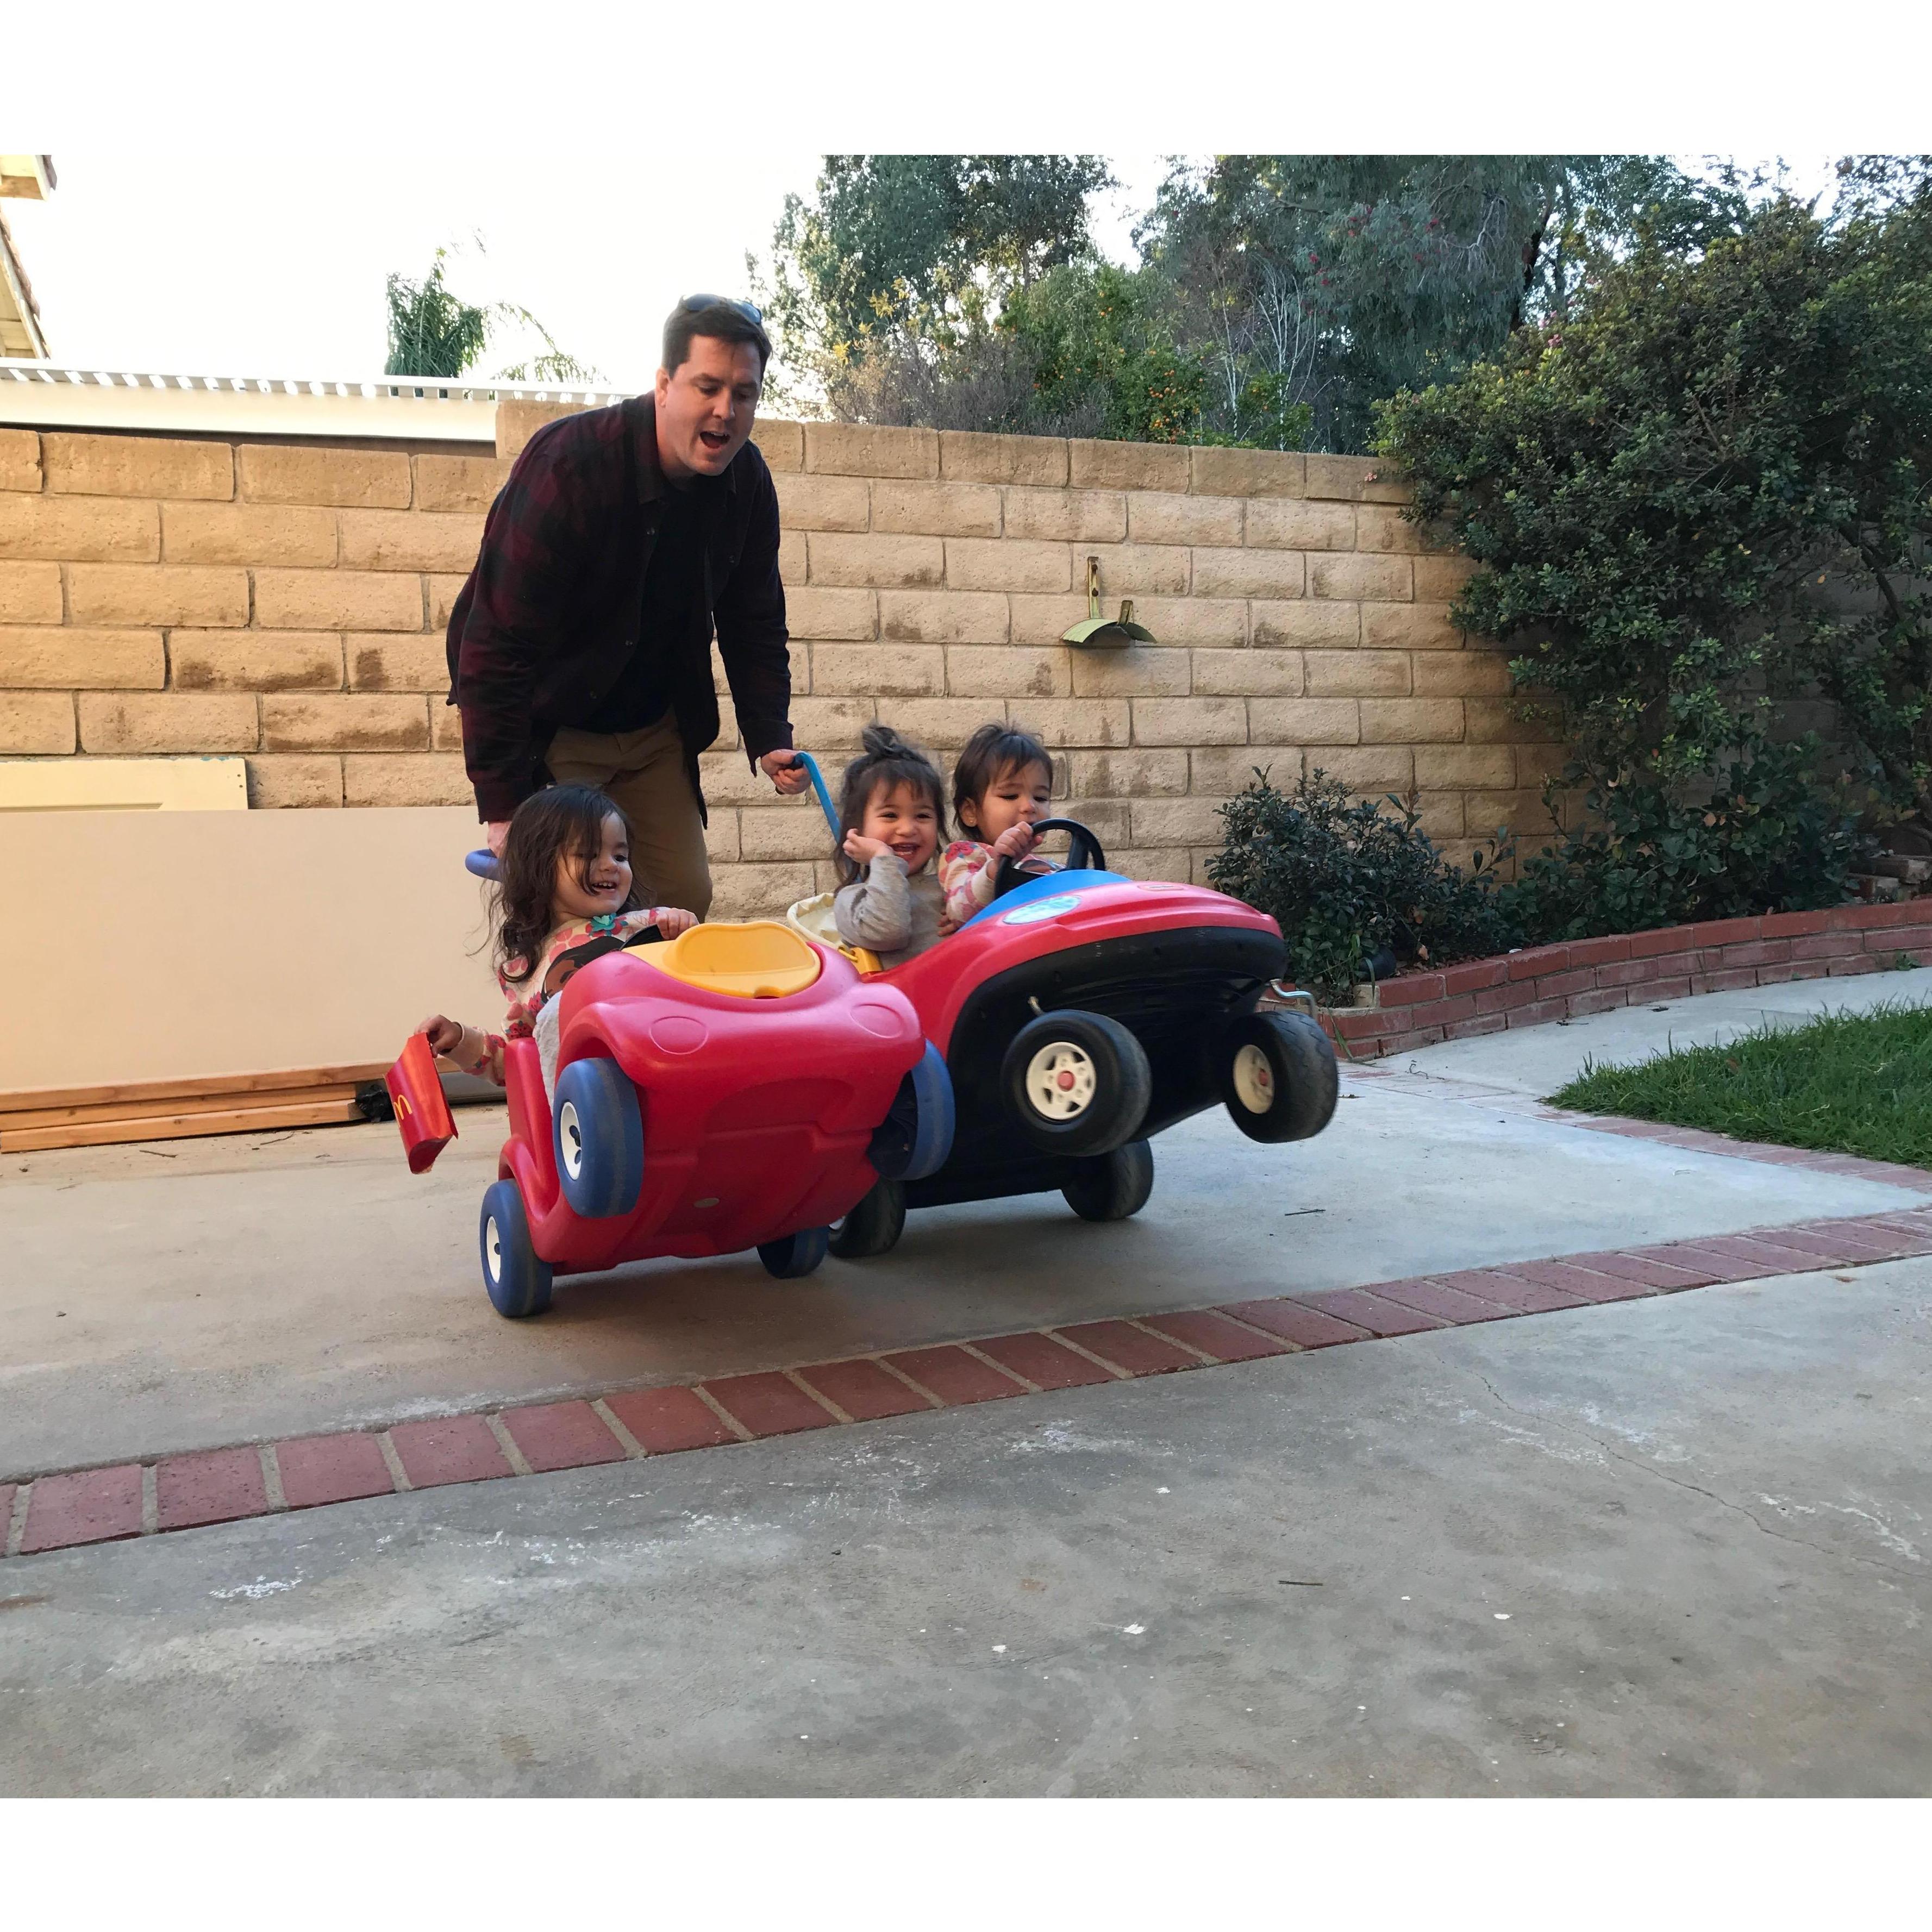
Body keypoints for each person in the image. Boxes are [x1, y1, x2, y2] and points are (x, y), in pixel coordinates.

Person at [444, 295, 808, 921]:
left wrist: (769, 732)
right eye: (708, 387)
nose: (726, 410)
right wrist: (503, 807)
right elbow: (496, 642)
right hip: (557, 726)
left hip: (652, 731)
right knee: (571, 911)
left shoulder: (746, 482)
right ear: (664, 384)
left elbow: (754, 619)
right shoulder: (569, 466)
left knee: (682, 899)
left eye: (744, 393)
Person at [417, 786, 696, 1098]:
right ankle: (575, 1120)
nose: (611, 865)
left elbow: (705, 979)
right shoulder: (527, 971)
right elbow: (514, 1061)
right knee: (556, 1012)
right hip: (590, 1099)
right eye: (588, 855)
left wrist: (687, 933)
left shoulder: (651, 924)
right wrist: (457, 1039)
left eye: (620, 856)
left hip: (666, 1066)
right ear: (538, 867)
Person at [831, 726, 950, 967]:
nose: (907, 829)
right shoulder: (852, 900)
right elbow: (889, 932)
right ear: (857, 827)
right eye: (890, 815)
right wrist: (883, 858)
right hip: (904, 992)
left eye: (923, 816)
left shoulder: (953, 884)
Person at [938, 721, 1058, 928]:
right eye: (1010, 796)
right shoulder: (964, 855)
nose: (1029, 806)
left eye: (1040, 798)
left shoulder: (1046, 867)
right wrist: (996, 869)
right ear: (970, 812)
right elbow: (959, 911)